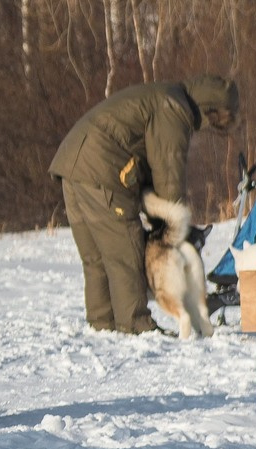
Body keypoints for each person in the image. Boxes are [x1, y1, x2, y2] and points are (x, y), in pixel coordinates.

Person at [48, 72, 239, 334]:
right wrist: (169, 227)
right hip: (102, 168)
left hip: (72, 164)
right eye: (218, 119)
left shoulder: (163, 94)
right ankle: (135, 325)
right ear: (211, 110)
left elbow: (148, 158)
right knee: (126, 253)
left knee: (97, 257)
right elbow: (168, 169)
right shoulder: (173, 107)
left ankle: (103, 326)